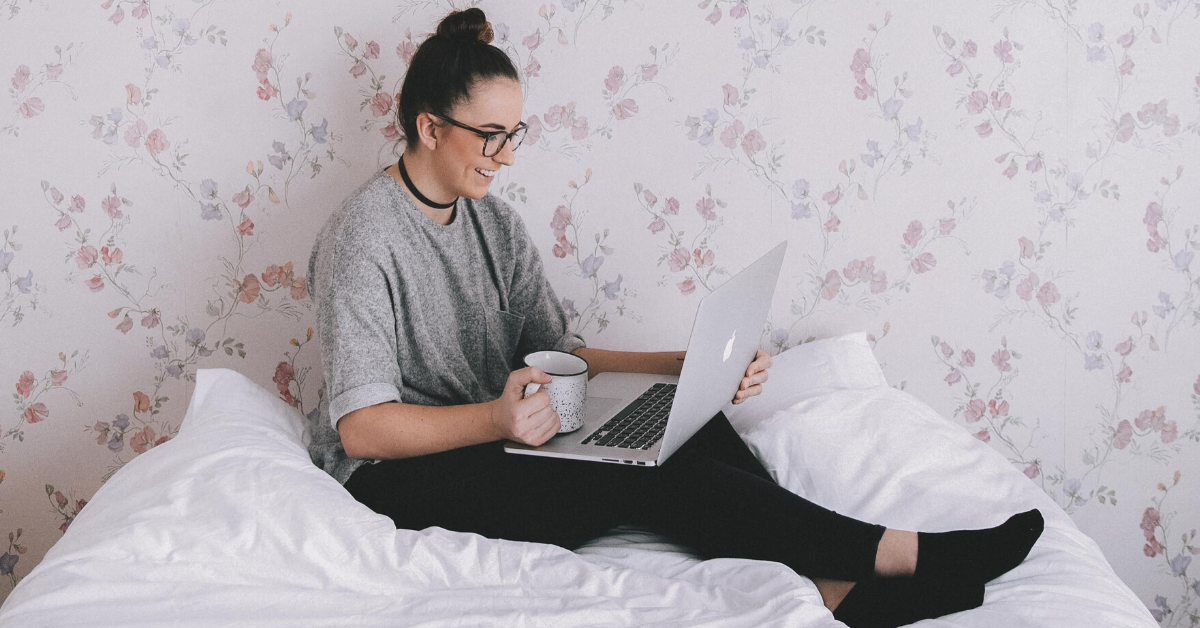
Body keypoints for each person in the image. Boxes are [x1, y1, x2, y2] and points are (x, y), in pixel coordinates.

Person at [305, 9, 1044, 628]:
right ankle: (900, 553)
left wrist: (686, 370)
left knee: (677, 421)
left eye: (516, 133)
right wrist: (496, 424)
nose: (506, 155)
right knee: (641, 469)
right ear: (431, 129)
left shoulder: (492, 225)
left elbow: (562, 354)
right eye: (490, 135)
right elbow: (362, 429)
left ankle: (836, 587)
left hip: (505, 435)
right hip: (400, 476)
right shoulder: (362, 238)